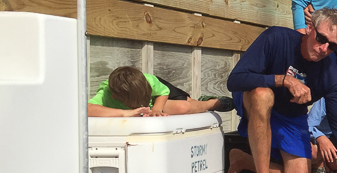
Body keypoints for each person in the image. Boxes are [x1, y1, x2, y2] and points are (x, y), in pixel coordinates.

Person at [224, 7, 337, 173]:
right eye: (321, 38)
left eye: (332, 46)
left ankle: (242, 160)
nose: (324, 48)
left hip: (290, 112)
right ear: (310, 28)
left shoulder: (331, 75)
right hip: (256, 101)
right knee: (262, 95)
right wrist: (285, 80)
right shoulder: (276, 38)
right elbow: (235, 80)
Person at [87, 66, 233, 117]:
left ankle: (212, 103)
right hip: (149, 100)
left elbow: (163, 92)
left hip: (159, 91)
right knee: (183, 107)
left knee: (187, 103)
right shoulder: (107, 93)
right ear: (115, 96)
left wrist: (156, 108)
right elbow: (87, 109)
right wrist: (126, 113)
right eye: (134, 103)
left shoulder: (148, 81)